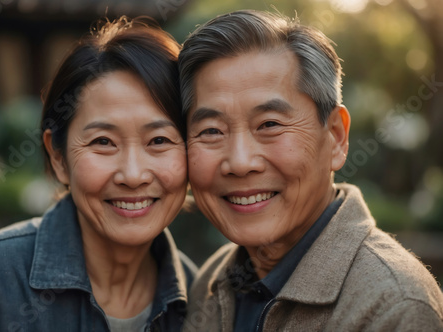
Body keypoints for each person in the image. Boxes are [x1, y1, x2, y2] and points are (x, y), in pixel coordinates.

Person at [178, 10, 443, 331]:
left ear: (335, 137)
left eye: (269, 124)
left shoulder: (392, 305)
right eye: (211, 131)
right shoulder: (208, 284)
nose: (240, 162)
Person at [0, 16, 197, 332]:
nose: (133, 175)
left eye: (159, 140)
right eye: (103, 141)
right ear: (58, 155)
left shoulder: (202, 299)